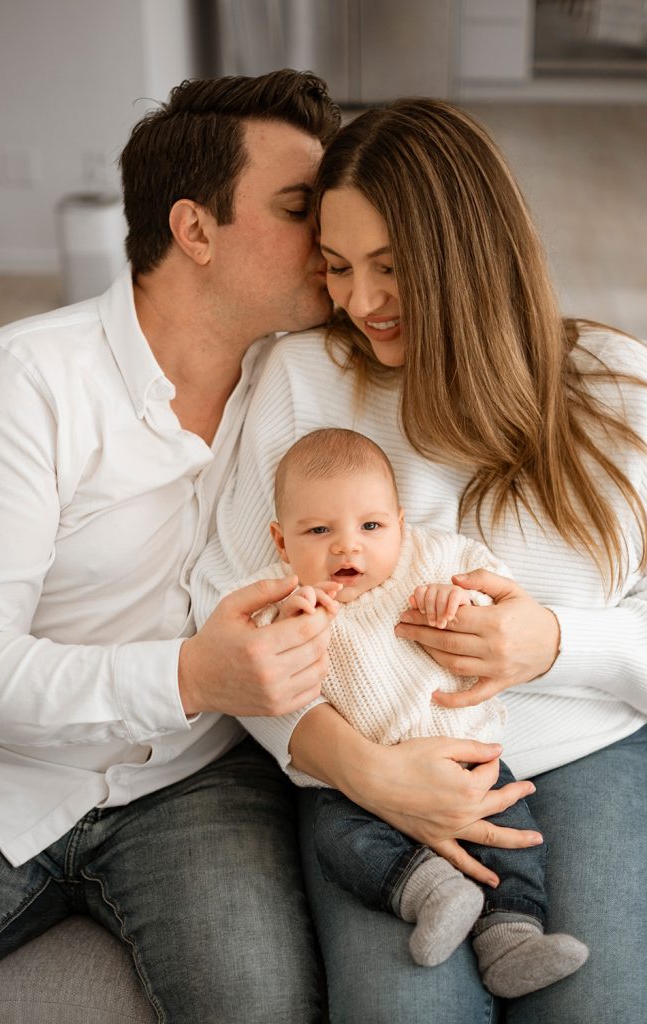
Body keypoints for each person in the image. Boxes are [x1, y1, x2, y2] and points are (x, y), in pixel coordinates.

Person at [193, 98, 647, 1022]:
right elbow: (229, 603)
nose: (360, 302)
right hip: (371, 767)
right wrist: (355, 766)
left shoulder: (615, 387)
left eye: (391, 266)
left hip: (578, 749)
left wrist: (554, 643)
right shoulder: (303, 378)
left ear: (468, 255)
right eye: (338, 266)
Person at [0, 69, 345, 1023]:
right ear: (194, 230)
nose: (330, 236)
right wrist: (190, 676)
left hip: (194, 782)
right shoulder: (24, 380)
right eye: (298, 207)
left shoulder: (303, 381)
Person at [240, 426, 589, 998]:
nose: (347, 548)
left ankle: (513, 938)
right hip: (358, 784)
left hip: (464, 757)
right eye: (319, 531)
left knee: (512, 836)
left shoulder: (433, 562)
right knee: (339, 841)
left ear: (401, 524)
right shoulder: (285, 601)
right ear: (281, 541)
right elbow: (258, 672)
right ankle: (433, 893)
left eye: (371, 527)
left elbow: (495, 595)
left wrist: (461, 600)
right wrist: (288, 626)